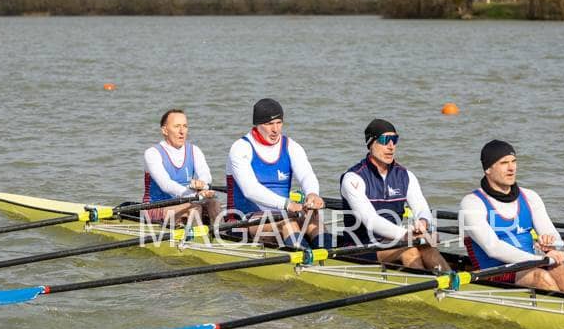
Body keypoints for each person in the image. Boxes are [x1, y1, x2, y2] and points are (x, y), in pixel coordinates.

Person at [460, 139, 564, 296]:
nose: (511, 168)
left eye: (514, 161)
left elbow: (553, 236)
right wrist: (538, 260)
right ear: (488, 169)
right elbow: (493, 248)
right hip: (494, 272)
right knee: (541, 278)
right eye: (504, 163)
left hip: (531, 264)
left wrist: (549, 243)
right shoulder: (472, 203)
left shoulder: (530, 197)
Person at [340, 119, 449, 271]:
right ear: (371, 143)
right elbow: (371, 221)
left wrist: (423, 224)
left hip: (393, 241)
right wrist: (407, 235)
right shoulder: (353, 178)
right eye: (385, 140)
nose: (391, 146)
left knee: (428, 248)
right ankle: (423, 284)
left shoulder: (406, 176)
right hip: (360, 248)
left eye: (394, 140)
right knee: (409, 251)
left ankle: (452, 280)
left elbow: (422, 208)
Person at [226, 98, 328, 248]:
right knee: (288, 223)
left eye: (279, 122)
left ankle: (329, 254)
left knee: (314, 221)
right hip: (243, 221)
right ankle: (306, 257)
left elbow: (307, 175)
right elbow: (250, 190)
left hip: (282, 214)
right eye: (269, 124)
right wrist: (287, 204)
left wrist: (312, 194)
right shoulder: (240, 148)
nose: (275, 129)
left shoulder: (292, 147)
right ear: (257, 124)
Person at [142, 109, 220, 226]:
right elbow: (166, 185)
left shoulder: (194, 150)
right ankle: (196, 236)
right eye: (177, 126)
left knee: (214, 203)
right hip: (156, 207)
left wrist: (202, 184)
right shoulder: (152, 153)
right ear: (164, 130)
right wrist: (194, 195)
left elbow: (206, 175)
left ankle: (222, 234)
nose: (182, 131)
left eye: (185, 126)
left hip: (188, 201)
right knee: (194, 207)